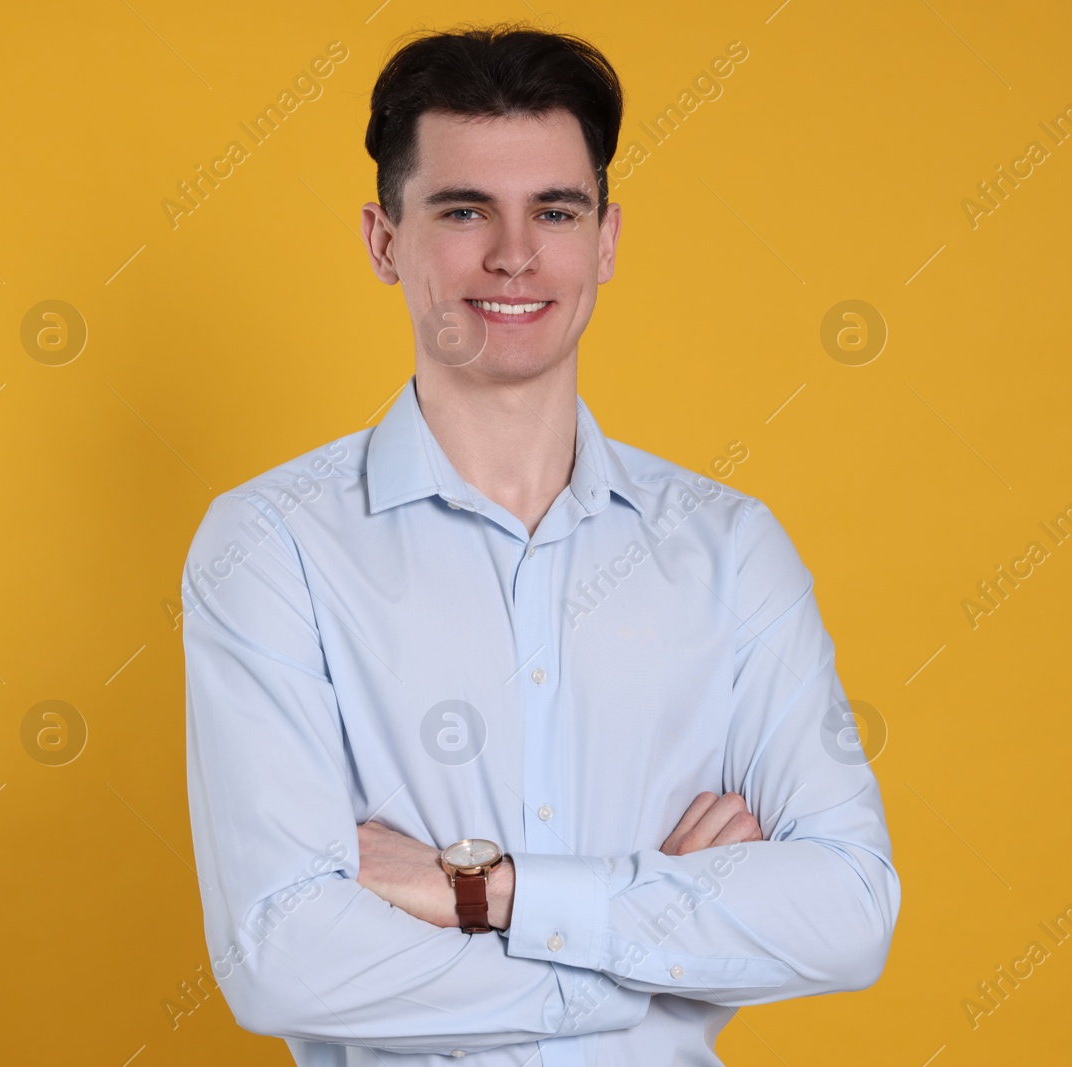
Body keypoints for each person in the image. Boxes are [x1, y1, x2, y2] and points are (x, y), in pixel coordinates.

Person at [180, 22, 900, 1066]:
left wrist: (477, 888)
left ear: (604, 240)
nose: (514, 254)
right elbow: (280, 951)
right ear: (385, 241)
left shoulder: (730, 549)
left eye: (554, 211)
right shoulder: (272, 544)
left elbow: (847, 907)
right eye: (464, 209)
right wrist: (636, 952)